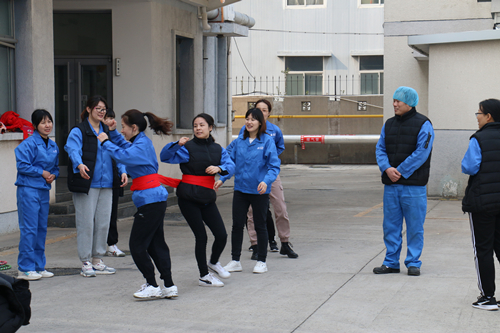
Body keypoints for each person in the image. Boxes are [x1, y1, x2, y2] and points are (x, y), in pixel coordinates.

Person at [97, 109, 178, 299]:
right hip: (152, 199)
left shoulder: (141, 145)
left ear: (134, 127)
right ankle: (169, 285)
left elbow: (123, 156)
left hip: (150, 200)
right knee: (156, 244)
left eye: (124, 127)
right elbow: (125, 147)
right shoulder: (140, 141)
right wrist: (114, 133)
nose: (123, 130)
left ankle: (152, 284)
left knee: (137, 245)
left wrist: (105, 141)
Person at [160, 113, 235, 287]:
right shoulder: (187, 147)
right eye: (195, 125)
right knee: (201, 236)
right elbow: (165, 156)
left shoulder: (218, 149)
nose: (198, 128)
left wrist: (219, 168)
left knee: (221, 235)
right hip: (188, 197)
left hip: (207, 197)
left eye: (202, 125)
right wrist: (176, 144)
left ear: (210, 127)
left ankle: (213, 262)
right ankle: (204, 276)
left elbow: (230, 166)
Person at [373, 86, 434, 277]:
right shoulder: (389, 124)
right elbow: (380, 149)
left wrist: (400, 170)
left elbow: (422, 153)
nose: (394, 104)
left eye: (398, 101)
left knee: (415, 227)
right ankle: (391, 262)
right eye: (393, 100)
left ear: (410, 103)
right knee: (390, 226)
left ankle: (413, 262)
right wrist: (386, 168)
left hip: (413, 187)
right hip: (391, 186)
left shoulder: (424, 124)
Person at [65, 95, 127, 277]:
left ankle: (97, 259)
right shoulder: (79, 130)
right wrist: (79, 164)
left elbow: (117, 151)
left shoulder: (107, 131)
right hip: (87, 183)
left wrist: (122, 170)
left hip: (107, 183)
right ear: (89, 109)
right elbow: (71, 148)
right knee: (86, 223)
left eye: (104, 109)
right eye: (98, 108)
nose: (101, 112)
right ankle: (85, 261)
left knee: (103, 223)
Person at [221, 108, 281, 274]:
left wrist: (266, 181)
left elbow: (274, 166)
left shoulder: (267, 141)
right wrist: (221, 178)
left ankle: (261, 261)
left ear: (260, 123)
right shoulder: (239, 141)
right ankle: (235, 260)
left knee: (260, 225)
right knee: (237, 225)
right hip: (240, 189)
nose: (249, 122)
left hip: (259, 191)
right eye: (247, 118)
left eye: (253, 119)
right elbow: (229, 162)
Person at [243, 99, 298, 259]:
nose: (261, 113)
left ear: (269, 113)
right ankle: (255, 245)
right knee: (252, 212)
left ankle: (285, 243)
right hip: (253, 175)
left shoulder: (274, 131)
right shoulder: (245, 131)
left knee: (280, 208)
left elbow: (280, 146)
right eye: (257, 110)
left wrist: (270, 158)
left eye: (264, 110)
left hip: (271, 175)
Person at [462, 99, 500, 311]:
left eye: (479, 113)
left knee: (483, 249)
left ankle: (488, 297)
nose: (477, 116)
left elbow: (469, 166)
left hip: (483, 202)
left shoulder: (479, 139)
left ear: (489, 116)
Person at [15, 109, 59, 280]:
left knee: (41, 229)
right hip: (28, 190)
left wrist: (54, 174)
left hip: (43, 191)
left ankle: (39, 266)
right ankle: (25, 268)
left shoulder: (53, 145)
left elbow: (55, 167)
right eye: (43, 122)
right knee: (29, 229)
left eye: (49, 121)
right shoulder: (28, 144)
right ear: (34, 126)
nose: (47, 125)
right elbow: (22, 166)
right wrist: (42, 173)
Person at [104, 109, 126, 258]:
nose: (111, 121)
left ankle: (111, 243)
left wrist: (123, 171)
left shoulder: (115, 136)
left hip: (113, 179)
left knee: (112, 213)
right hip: (100, 181)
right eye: (107, 118)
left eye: (112, 117)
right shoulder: (97, 136)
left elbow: (121, 154)